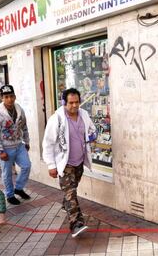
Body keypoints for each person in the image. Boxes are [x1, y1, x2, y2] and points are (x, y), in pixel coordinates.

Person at [42, 88, 97, 238]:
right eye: (71, 103)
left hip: (79, 162)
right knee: (71, 194)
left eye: (77, 102)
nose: (74, 106)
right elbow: (48, 143)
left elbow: (91, 129)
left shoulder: (84, 115)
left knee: (71, 191)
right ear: (64, 103)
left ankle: (66, 203)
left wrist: (93, 135)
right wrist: (51, 165)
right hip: (64, 164)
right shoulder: (57, 119)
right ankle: (76, 224)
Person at [0, 84, 31, 205]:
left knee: (26, 166)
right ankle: (10, 194)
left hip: (19, 145)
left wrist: (26, 141)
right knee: (7, 173)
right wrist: (0, 150)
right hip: (5, 147)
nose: (9, 99)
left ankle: (18, 188)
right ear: (2, 98)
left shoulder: (19, 109)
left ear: (15, 97)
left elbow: (24, 126)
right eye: (6, 97)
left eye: (11, 96)